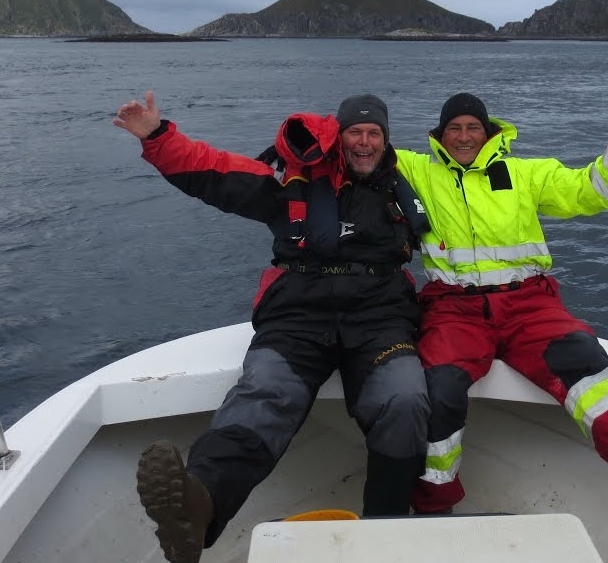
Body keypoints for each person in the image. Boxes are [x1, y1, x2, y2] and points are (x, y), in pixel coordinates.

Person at [393, 73, 608, 525]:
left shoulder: (527, 173)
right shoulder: (417, 171)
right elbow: (360, 143)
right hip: (454, 310)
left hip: (529, 305)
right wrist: (299, 153)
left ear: (489, 131)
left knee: (584, 361)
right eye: (455, 127)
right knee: (440, 389)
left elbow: (596, 191)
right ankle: (434, 505)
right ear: (440, 134)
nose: (464, 136)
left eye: (473, 126)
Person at [112, 91, 430, 563]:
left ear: (386, 141)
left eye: (374, 133)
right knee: (264, 391)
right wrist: (159, 138)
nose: (364, 142)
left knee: (405, 399)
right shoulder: (295, 184)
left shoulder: (407, 189)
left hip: (379, 318)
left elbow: (475, 196)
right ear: (339, 138)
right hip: (297, 315)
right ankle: (199, 505)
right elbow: (215, 173)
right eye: (355, 133)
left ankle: (384, 528)